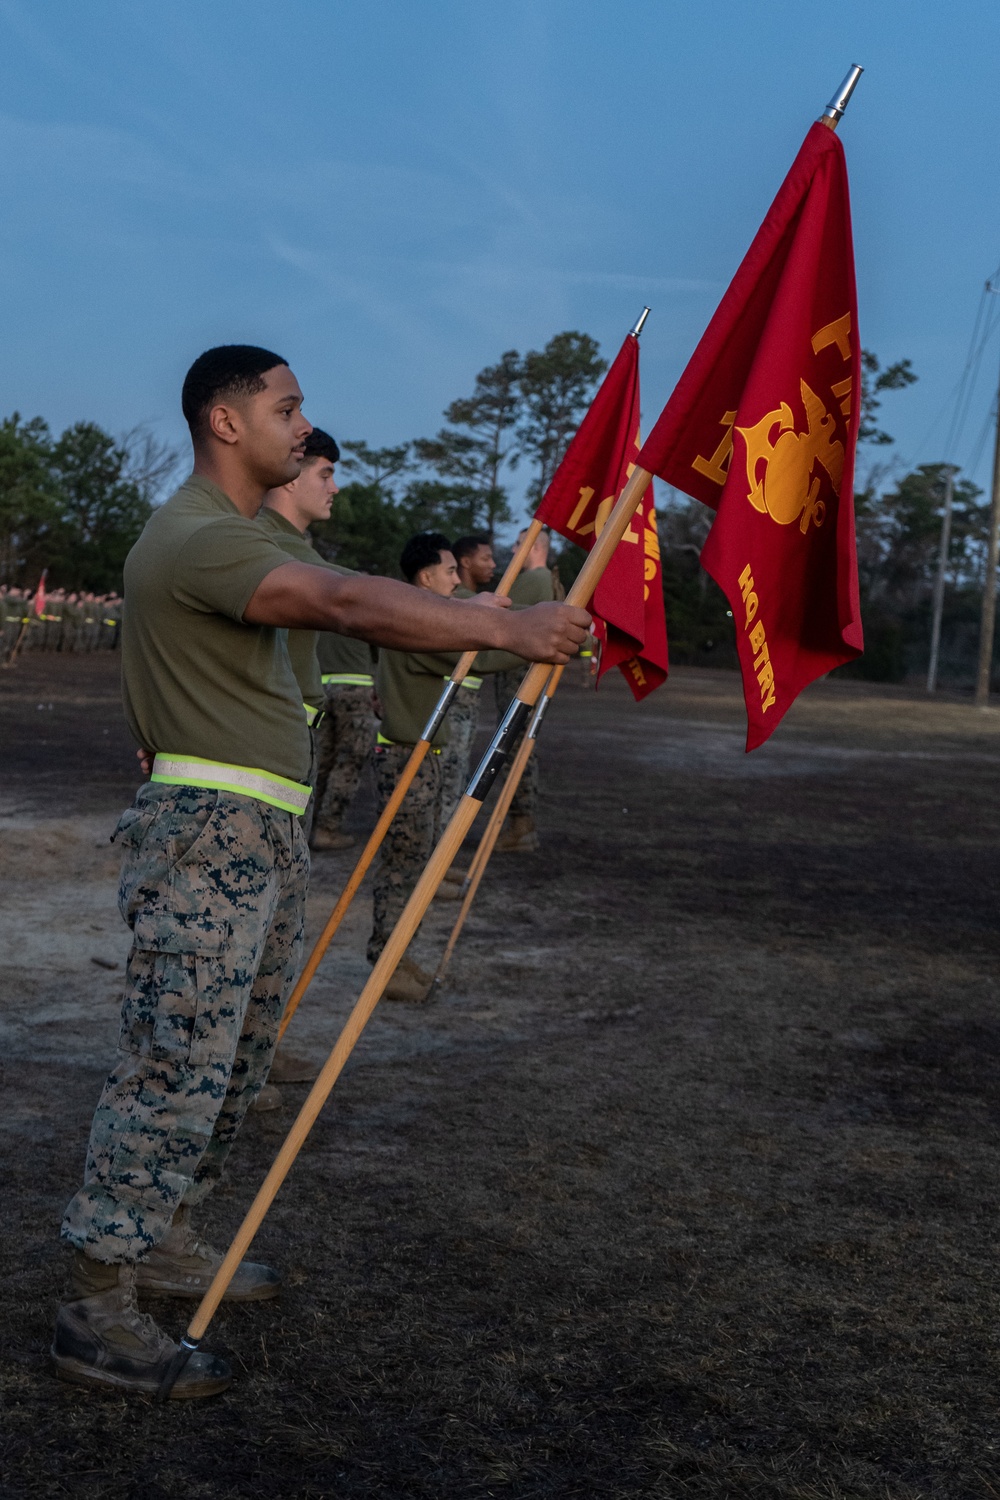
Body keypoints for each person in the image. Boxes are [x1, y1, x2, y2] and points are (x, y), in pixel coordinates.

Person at [54, 344, 590, 1401]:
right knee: (174, 1066)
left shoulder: (246, 528)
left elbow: (345, 580)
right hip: (208, 835)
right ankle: (94, 1301)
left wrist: (503, 595)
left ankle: (166, 1240)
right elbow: (341, 603)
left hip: (259, 835)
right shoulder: (197, 537)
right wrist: (507, 625)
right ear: (224, 421)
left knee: (234, 1065)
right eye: (288, 410)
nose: (305, 431)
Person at [369, 532, 526, 1004]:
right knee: (403, 867)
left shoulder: (419, 618)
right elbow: (482, 657)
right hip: (406, 760)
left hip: (420, 759)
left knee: (415, 865)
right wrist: (538, 639)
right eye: (451, 572)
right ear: (425, 577)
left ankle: (397, 955)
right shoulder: (420, 625)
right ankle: (386, 964)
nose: (458, 580)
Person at [493, 528, 555, 852]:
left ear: (534, 548)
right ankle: (521, 824)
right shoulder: (546, 581)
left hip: (517, 678)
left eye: (519, 543)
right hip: (519, 677)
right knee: (518, 749)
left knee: (515, 750)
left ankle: (521, 825)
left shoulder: (533, 581)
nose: (514, 548)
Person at [436, 533, 499, 836]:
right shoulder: (456, 603)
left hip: (468, 703)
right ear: (465, 561)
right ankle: (435, 864)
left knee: (457, 777)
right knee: (448, 781)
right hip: (453, 703)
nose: (493, 565)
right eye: (485, 558)